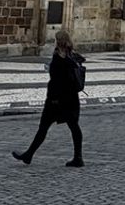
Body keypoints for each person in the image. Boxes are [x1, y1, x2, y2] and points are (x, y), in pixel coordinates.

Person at [13, 30, 85, 168]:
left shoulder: (59, 58)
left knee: (44, 127)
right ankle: (78, 157)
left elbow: (56, 80)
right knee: (74, 127)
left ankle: (29, 155)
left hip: (57, 100)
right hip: (71, 99)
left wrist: (53, 98)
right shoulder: (72, 56)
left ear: (58, 41)